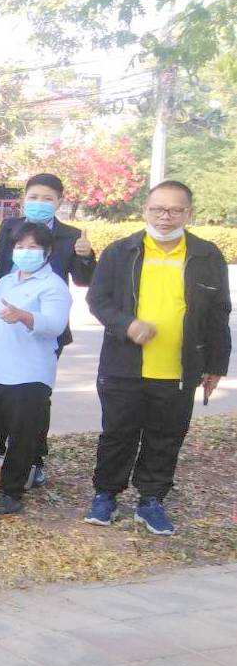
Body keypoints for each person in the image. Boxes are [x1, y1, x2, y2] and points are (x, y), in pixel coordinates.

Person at [85, 181, 229, 535]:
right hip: (124, 365)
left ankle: (151, 500)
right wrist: (127, 325)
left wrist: (215, 365)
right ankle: (105, 495)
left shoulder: (206, 255)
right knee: (117, 434)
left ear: (188, 213)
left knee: (166, 437)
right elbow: (98, 300)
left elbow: (218, 313)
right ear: (145, 210)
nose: (166, 217)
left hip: (178, 369)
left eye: (175, 210)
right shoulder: (121, 251)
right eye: (158, 209)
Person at [0, 172, 96, 487]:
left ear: (59, 202)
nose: (39, 203)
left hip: (44, 324)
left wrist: (86, 257)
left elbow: (83, 279)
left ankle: (33, 459)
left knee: (34, 397)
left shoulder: (71, 236)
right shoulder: (9, 228)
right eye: (34, 197)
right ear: (24, 199)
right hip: (3, 321)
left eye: (47, 198)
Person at [0, 222, 72, 514]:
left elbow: (54, 325)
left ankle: (12, 490)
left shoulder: (53, 286)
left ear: (47, 252)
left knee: (22, 436)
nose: (25, 252)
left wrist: (24, 316)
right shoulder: (5, 282)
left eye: (33, 247)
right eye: (20, 246)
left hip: (29, 374)